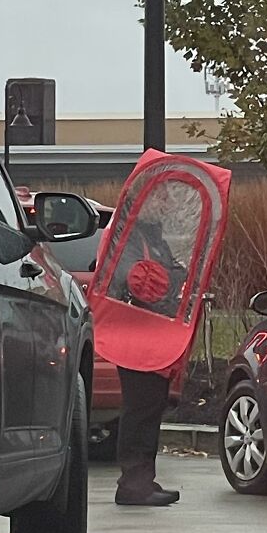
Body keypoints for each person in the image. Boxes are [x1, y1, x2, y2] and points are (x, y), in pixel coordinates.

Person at [107, 189, 187, 507]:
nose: (167, 204)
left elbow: (165, 272)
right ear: (146, 203)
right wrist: (173, 281)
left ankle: (142, 479)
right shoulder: (130, 237)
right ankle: (133, 483)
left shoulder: (147, 236)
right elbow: (136, 279)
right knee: (141, 406)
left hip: (152, 330)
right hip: (139, 330)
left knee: (151, 403)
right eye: (162, 199)